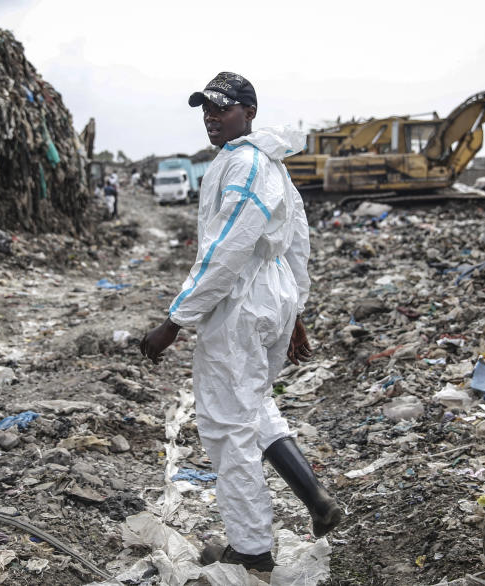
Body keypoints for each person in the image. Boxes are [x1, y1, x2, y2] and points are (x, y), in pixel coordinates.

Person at [140, 72, 342, 572]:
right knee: (251, 402)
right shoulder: (263, 162)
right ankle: (315, 498)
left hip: (242, 303)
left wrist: (175, 321)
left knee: (228, 427)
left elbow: (226, 249)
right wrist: (295, 309)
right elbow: (297, 239)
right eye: (206, 109)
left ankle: (251, 550)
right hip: (269, 296)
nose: (211, 117)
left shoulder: (245, 164)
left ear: (248, 113)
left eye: (222, 109)